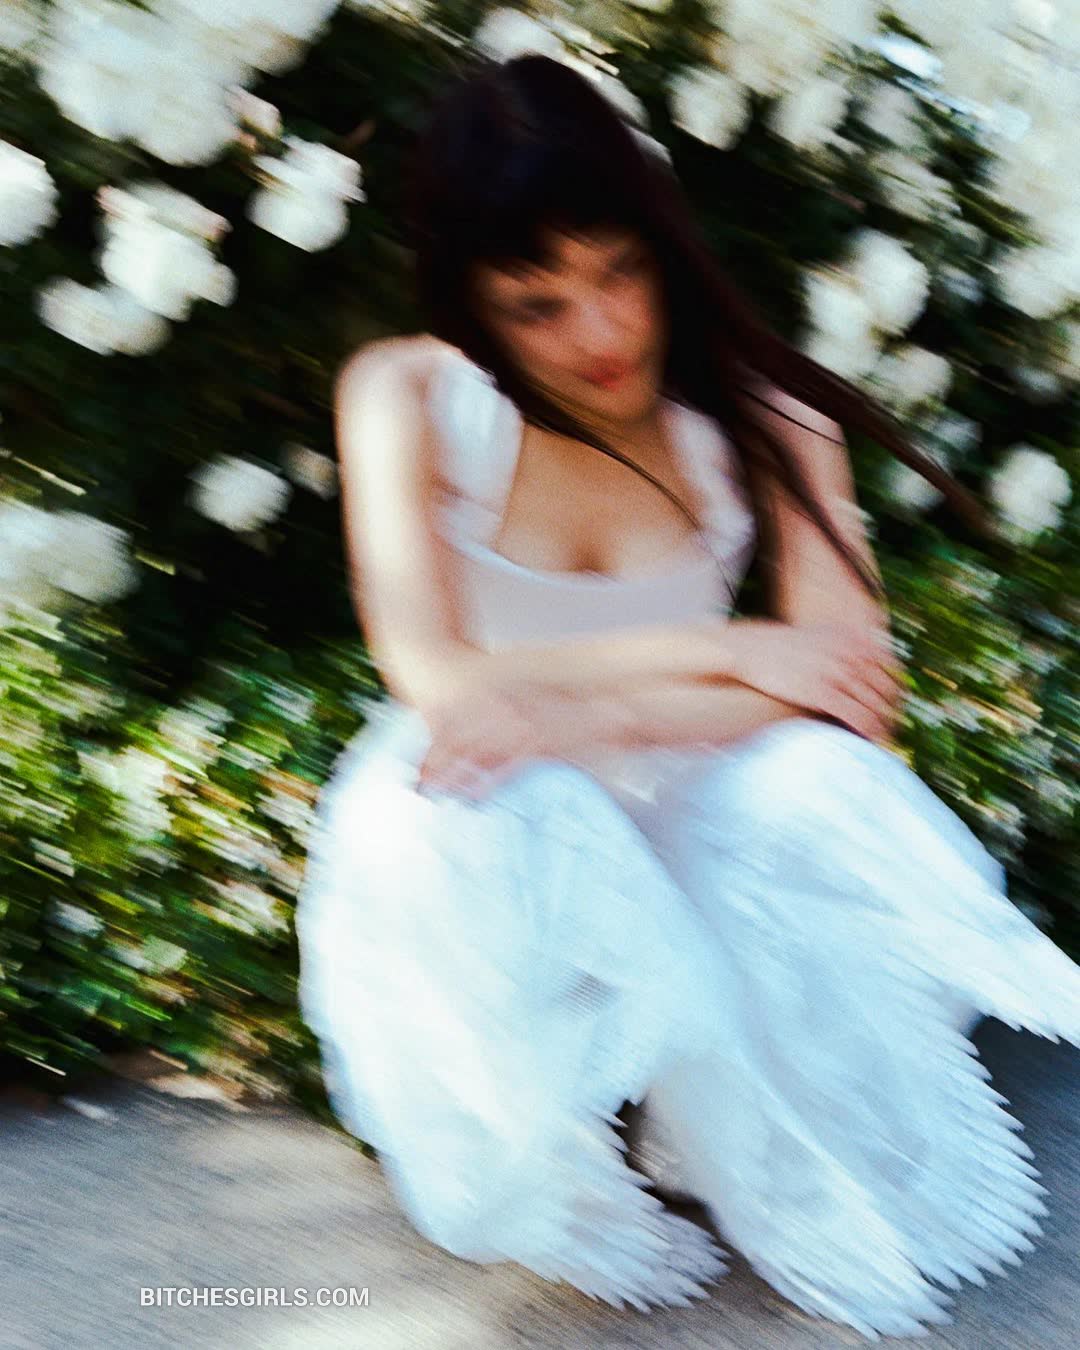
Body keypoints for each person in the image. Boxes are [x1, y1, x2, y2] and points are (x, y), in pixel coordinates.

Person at [295, 54, 1080, 1339]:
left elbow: (848, 694)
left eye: (620, 272)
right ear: (471, 298)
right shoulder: (408, 395)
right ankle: (571, 1113)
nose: (599, 333)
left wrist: (607, 713)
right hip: (507, 801)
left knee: (823, 784)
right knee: (464, 799)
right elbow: (432, 675)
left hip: (696, 789)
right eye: (537, 303)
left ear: (664, 245)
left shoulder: (771, 417)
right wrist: (734, 651)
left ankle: (723, 1091)